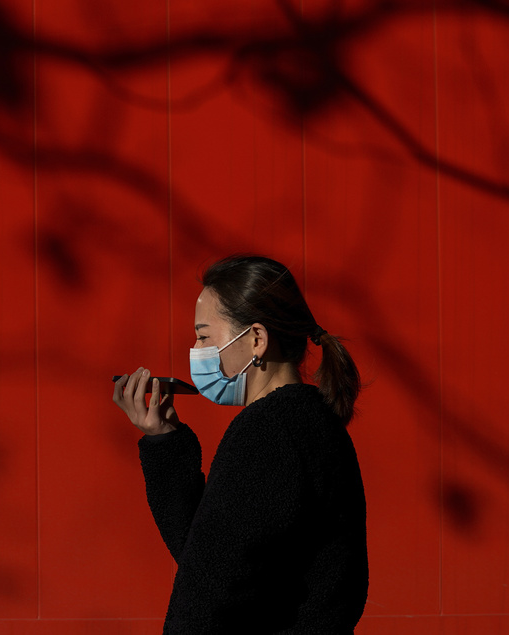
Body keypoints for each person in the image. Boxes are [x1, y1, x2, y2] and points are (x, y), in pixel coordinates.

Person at [112, 254, 368, 634]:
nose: (196, 349)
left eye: (203, 336)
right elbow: (209, 556)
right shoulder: (312, 422)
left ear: (256, 340)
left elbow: (206, 592)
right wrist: (164, 441)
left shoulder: (270, 430)